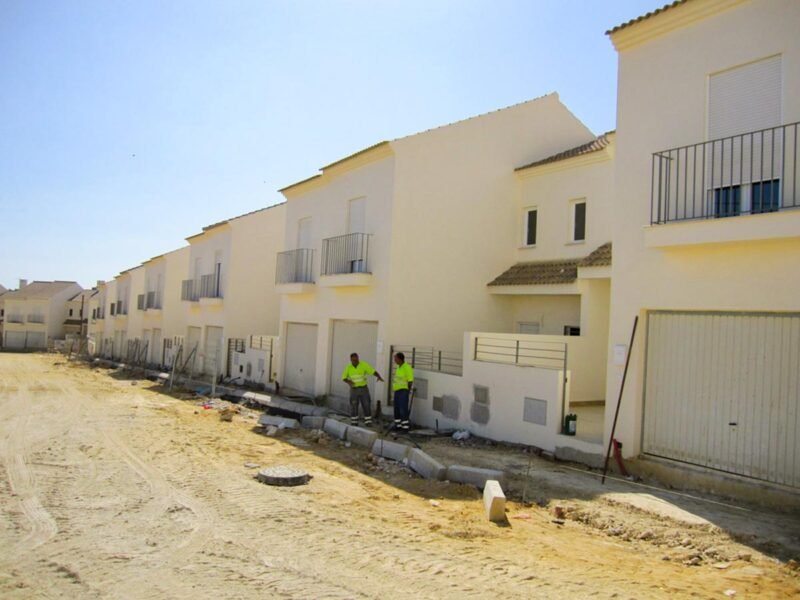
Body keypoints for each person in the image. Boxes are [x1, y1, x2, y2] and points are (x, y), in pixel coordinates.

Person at [342, 353, 383, 426]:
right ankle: (354, 422)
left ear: (358, 358)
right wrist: (349, 382)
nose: (356, 361)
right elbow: (344, 378)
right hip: (354, 389)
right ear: (351, 360)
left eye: (357, 359)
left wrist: (378, 376)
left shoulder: (363, 365)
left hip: (363, 388)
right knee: (354, 405)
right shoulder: (348, 367)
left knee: (366, 404)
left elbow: (372, 371)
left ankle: (368, 422)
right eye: (354, 360)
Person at [392, 352, 414, 431]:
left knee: (403, 409)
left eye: (395, 358)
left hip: (403, 391)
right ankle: (398, 425)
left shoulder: (407, 367)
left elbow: (410, 381)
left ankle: (405, 427)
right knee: (396, 408)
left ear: (400, 359)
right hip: (397, 391)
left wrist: (407, 391)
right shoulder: (398, 367)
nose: (394, 360)